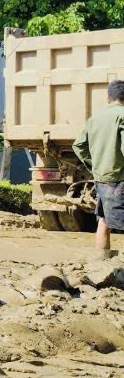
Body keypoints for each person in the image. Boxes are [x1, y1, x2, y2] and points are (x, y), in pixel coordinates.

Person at [73, 79, 124, 260]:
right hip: (120, 178)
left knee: (104, 220)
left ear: (109, 97)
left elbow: (78, 145)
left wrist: (94, 164)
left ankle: (102, 262)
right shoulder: (122, 115)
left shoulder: (95, 118)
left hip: (101, 178)